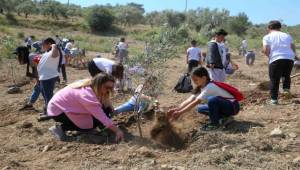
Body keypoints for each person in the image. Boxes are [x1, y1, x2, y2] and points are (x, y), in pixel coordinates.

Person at [47, 73, 124, 142]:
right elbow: (101, 116)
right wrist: (117, 131)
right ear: (99, 85)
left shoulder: (91, 84)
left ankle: (101, 125)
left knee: (106, 109)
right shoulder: (86, 95)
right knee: (92, 123)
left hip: (65, 105)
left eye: (111, 88)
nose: (109, 90)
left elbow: (105, 104)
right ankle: (60, 128)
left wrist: (111, 107)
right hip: (57, 111)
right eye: (107, 87)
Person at [167, 67, 241, 131]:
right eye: (193, 80)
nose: (194, 82)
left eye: (196, 80)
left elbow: (196, 102)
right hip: (226, 106)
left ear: (204, 78)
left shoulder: (210, 87)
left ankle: (215, 125)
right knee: (200, 108)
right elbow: (189, 100)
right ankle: (224, 118)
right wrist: (177, 109)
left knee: (212, 100)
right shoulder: (201, 87)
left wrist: (180, 113)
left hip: (233, 107)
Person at [262, 20, 296, 105]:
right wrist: (294, 57)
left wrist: (269, 56)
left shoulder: (267, 37)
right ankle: (286, 89)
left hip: (276, 58)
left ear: (269, 28)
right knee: (286, 75)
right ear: (280, 28)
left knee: (274, 79)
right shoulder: (288, 36)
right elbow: (293, 48)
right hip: (289, 58)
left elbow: (266, 50)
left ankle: (274, 100)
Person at [37, 38, 62, 120]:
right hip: (44, 77)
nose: (42, 46)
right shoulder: (47, 52)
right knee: (45, 94)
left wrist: (54, 45)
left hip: (48, 77)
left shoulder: (55, 50)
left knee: (48, 96)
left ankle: (50, 113)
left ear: (49, 44)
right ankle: (47, 110)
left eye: (43, 44)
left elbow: (54, 55)